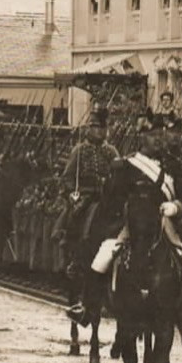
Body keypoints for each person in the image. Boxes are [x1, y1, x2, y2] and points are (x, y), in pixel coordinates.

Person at [59, 107, 121, 321]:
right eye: (93, 127)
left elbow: (120, 177)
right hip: (86, 196)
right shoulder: (80, 150)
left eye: (99, 128)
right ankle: (75, 259)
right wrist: (72, 193)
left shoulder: (111, 152)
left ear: (105, 130)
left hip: (108, 199)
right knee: (78, 219)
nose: (95, 131)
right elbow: (67, 178)